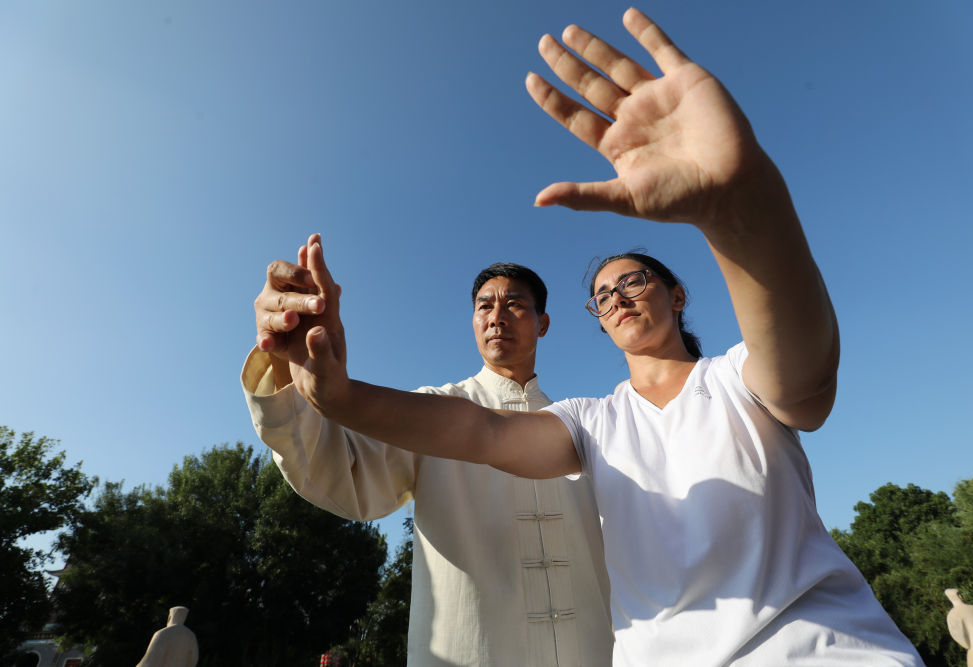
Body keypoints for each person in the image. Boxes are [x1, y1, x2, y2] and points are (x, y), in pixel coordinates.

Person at [265, 8, 927, 666]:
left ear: (675, 295)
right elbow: (473, 433)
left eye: (633, 281)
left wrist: (739, 207)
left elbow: (806, 372)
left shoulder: (735, 379)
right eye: (603, 295)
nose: (617, 298)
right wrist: (331, 392)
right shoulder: (582, 422)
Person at [244, 260, 613, 665]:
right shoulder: (431, 412)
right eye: (484, 306)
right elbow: (337, 472)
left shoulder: (586, 429)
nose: (496, 317)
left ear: (543, 324)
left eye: (514, 304)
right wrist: (284, 360)